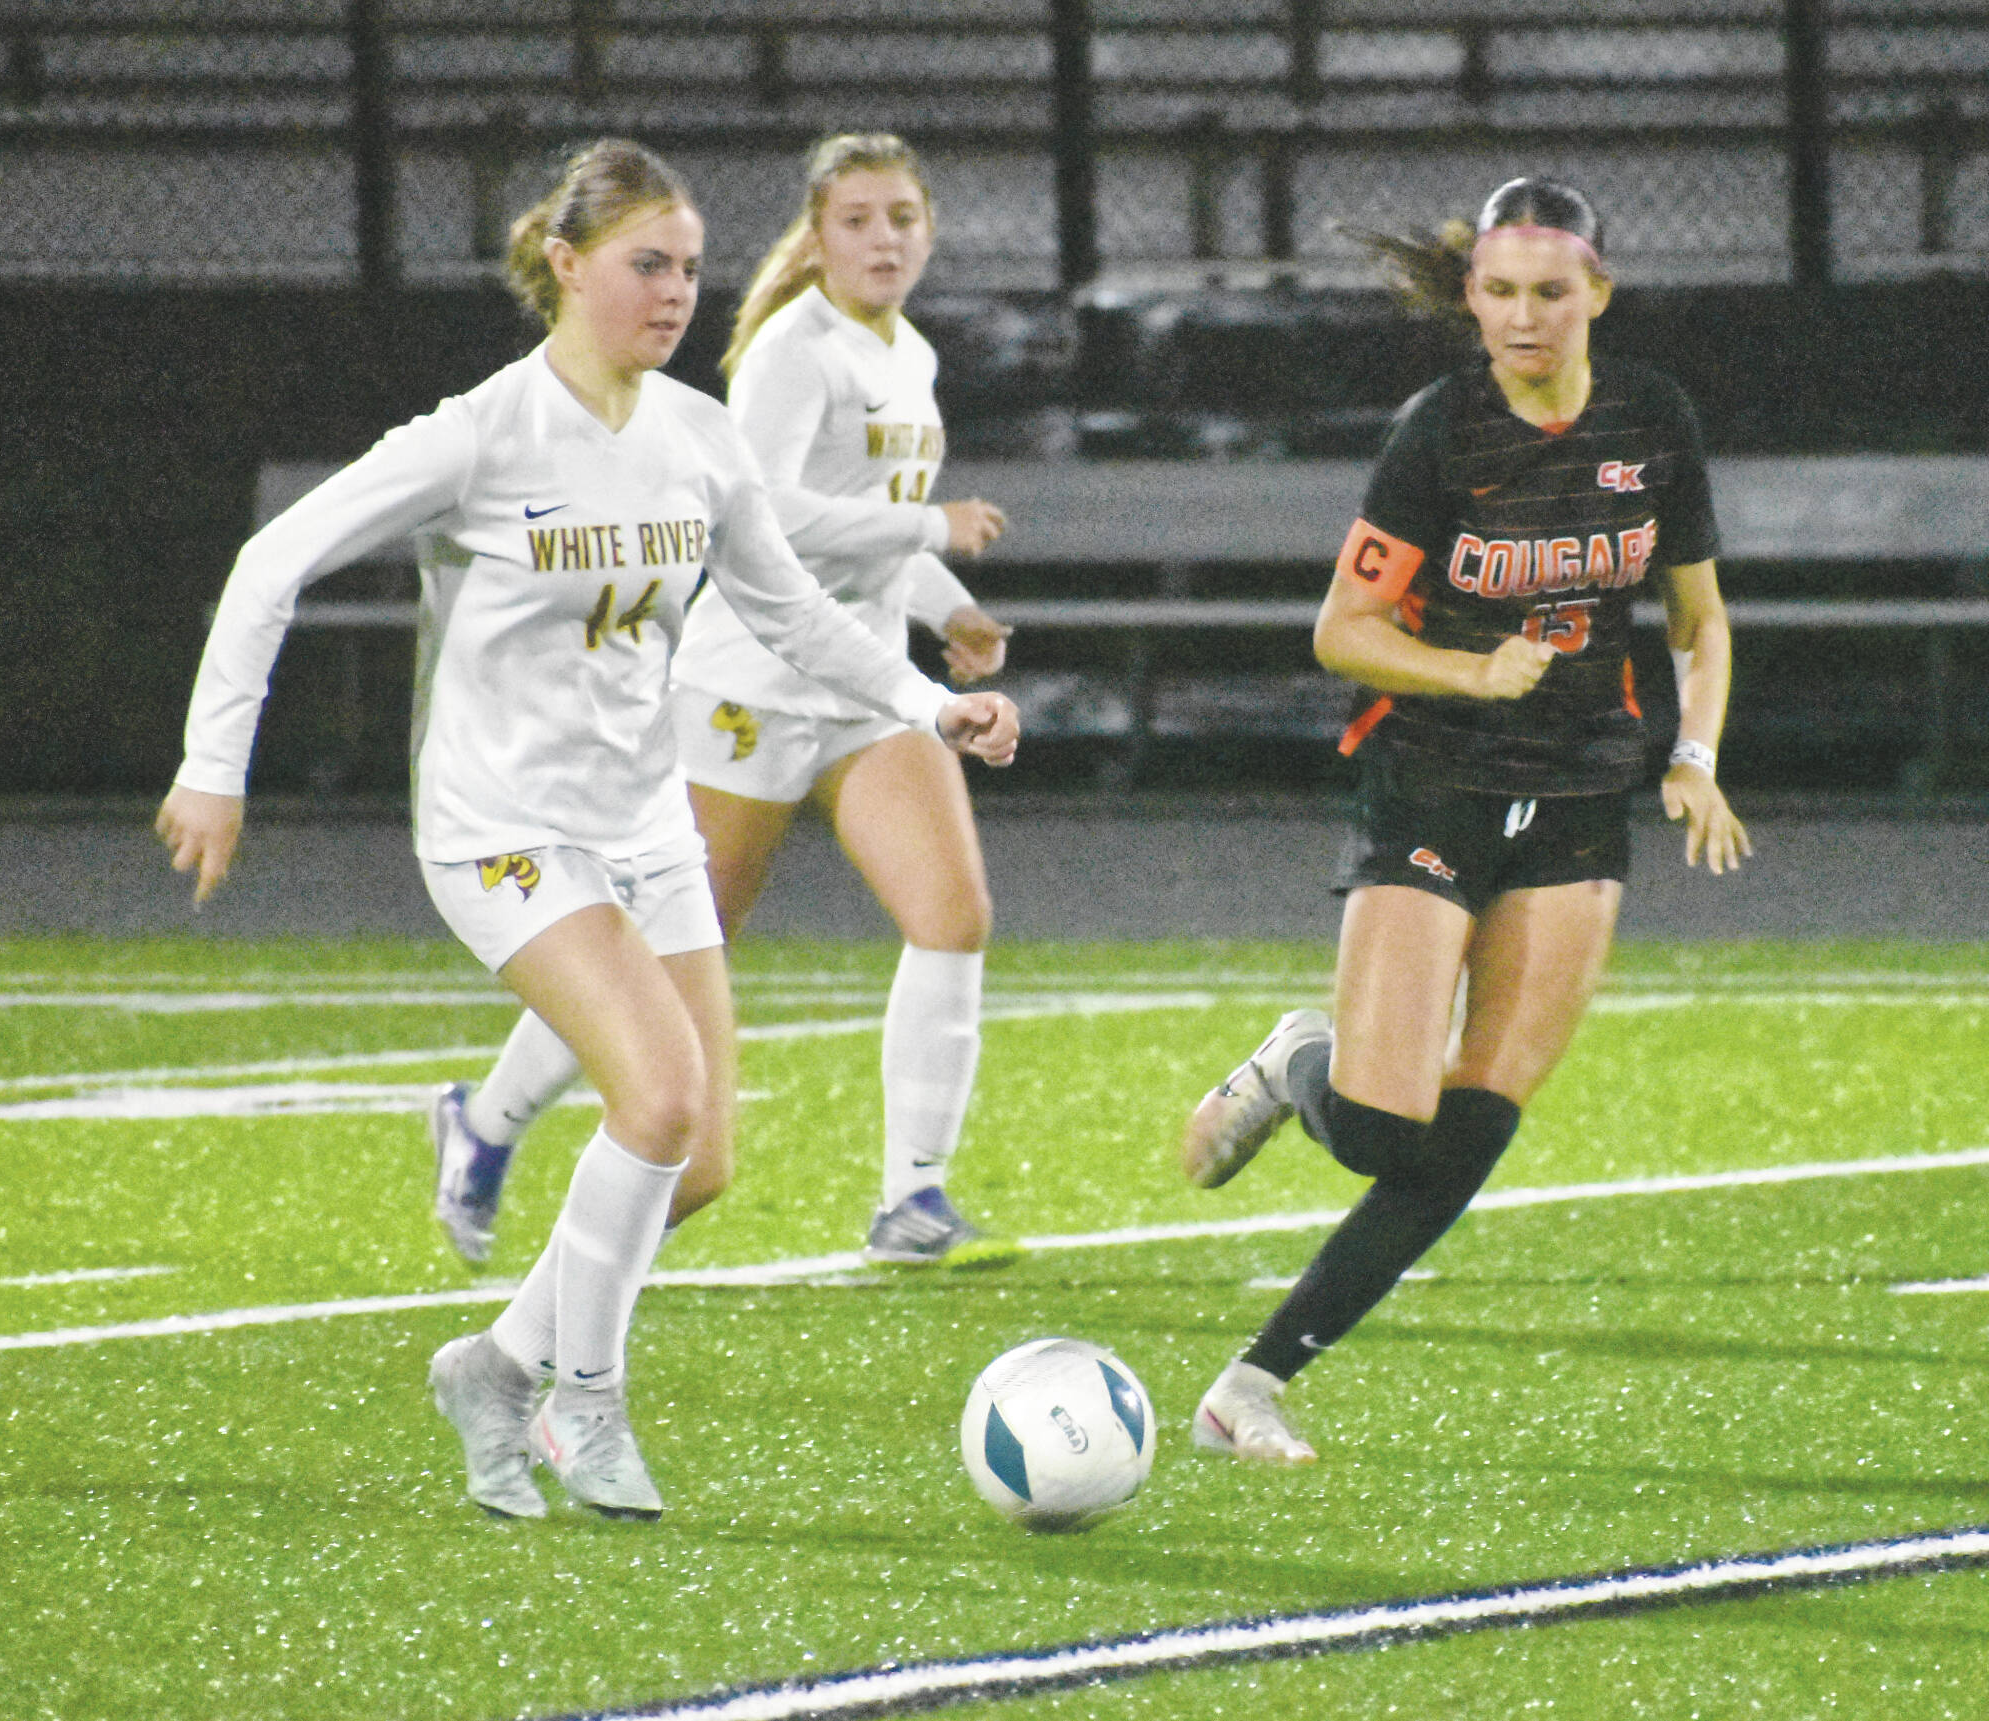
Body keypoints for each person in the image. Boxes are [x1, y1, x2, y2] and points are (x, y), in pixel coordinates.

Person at [155, 139, 1019, 1520]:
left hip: (641, 822)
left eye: (687, 267)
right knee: (660, 1097)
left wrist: (928, 702)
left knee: (702, 1160)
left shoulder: (696, 436)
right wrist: (215, 765)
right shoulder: (485, 432)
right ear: (564, 265)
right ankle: (586, 1406)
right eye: (644, 264)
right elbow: (275, 560)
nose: (675, 291)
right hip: (501, 827)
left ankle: (493, 1366)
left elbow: (791, 609)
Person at [1179, 178, 1750, 1462]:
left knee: (1475, 1121)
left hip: (1580, 791)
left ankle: (1249, 1386)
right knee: (1384, 1124)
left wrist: (1694, 755)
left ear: (1596, 291)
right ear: (1471, 298)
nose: (1522, 317)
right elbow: (1342, 631)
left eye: (1550, 292)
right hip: (1432, 774)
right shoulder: (1436, 431)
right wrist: (1466, 669)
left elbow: (1696, 618)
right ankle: (1293, 1062)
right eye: (1498, 292)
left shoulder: (1650, 420)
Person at [428, 133, 1021, 1270]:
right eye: (855, 219)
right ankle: (486, 1118)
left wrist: (945, 605)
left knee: (952, 915)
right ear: (817, 231)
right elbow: (768, 522)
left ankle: (912, 1196)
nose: (883, 238)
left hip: (857, 680)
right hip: (744, 682)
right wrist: (926, 528)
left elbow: (866, 526)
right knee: (652, 955)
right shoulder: (796, 350)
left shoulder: (911, 356)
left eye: (901, 216)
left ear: (928, 229)